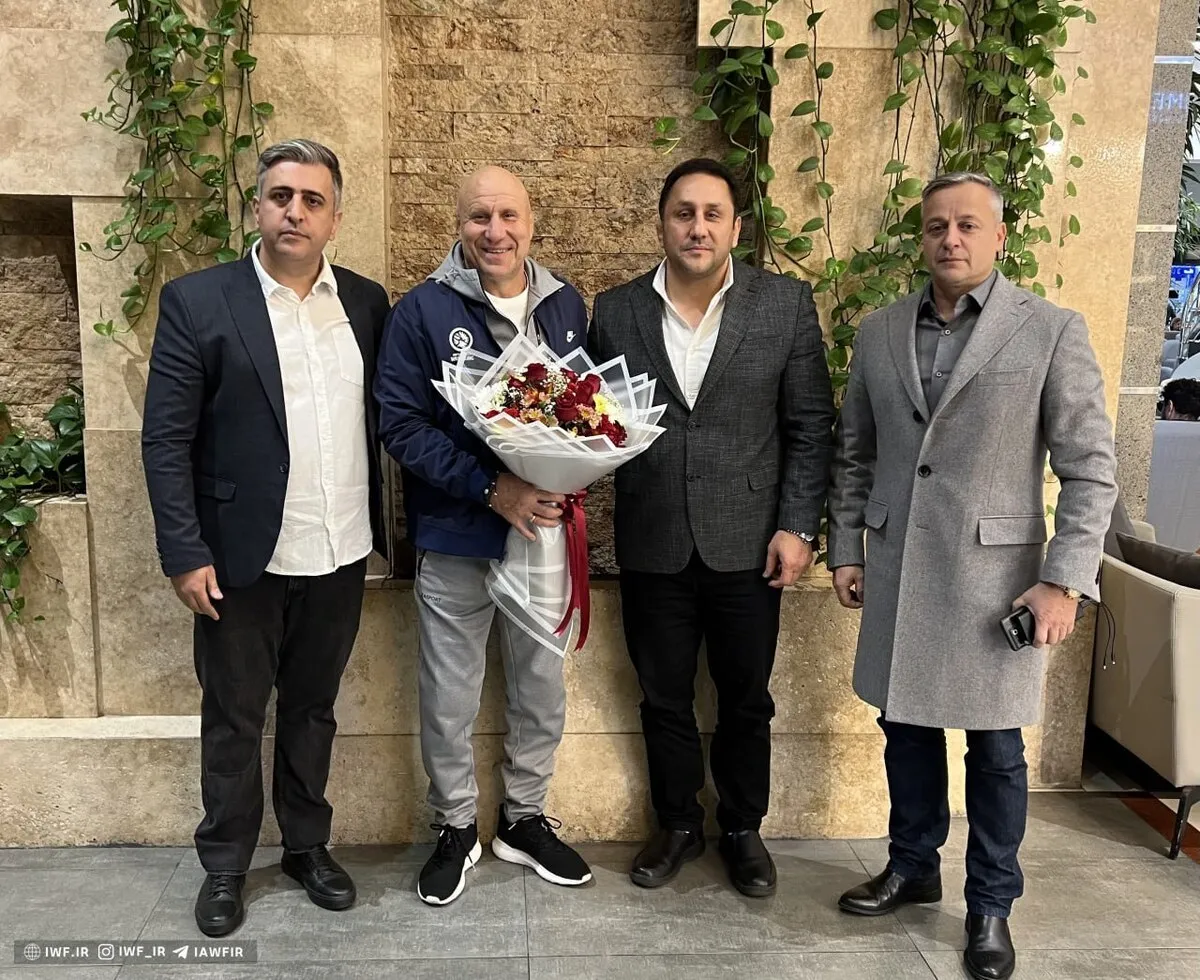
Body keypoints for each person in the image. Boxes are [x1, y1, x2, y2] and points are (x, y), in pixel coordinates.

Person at [827, 172, 1117, 980]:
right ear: (921, 237)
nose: (949, 239)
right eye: (935, 227)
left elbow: (1090, 468)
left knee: (995, 751)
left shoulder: (1050, 330)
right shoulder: (881, 332)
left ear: (998, 236)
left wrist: (1064, 581)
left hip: (998, 583)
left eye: (966, 225)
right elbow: (855, 452)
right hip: (899, 568)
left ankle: (991, 905)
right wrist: (846, 546)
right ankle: (912, 866)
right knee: (904, 729)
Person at [142, 139, 390, 936]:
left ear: (335, 218)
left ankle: (307, 847)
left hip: (340, 547)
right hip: (238, 557)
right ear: (257, 206)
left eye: (313, 200)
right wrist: (184, 551)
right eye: (282, 196)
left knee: (313, 710)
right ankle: (224, 864)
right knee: (235, 715)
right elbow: (165, 439)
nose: (295, 212)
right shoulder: (199, 301)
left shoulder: (366, 304)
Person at [588, 157, 835, 897]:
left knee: (745, 698)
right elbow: (595, 423)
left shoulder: (783, 304)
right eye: (683, 213)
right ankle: (676, 824)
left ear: (735, 226)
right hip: (653, 536)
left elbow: (810, 425)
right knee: (662, 696)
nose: (697, 227)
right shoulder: (617, 310)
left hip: (751, 541)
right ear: (662, 223)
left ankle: (741, 828)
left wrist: (798, 526)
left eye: (712, 214)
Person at [375, 166, 593, 906]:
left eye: (508, 216)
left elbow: (586, 408)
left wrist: (571, 470)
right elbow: (400, 425)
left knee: (541, 689)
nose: (494, 232)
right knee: (448, 697)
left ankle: (523, 820)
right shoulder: (420, 313)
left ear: (531, 221)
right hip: (456, 534)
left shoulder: (564, 305)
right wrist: (492, 488)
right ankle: (456, 826)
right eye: (478, 217)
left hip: (544, 534)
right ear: (458, 224)